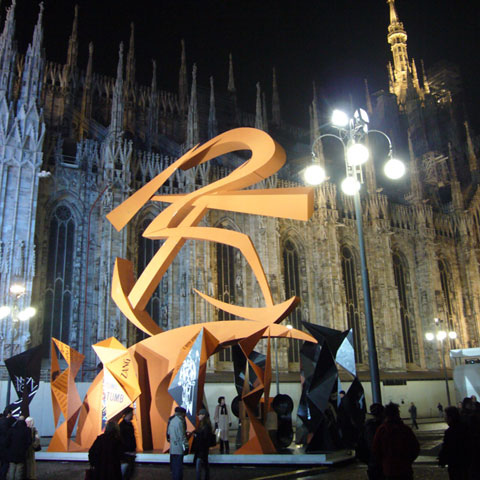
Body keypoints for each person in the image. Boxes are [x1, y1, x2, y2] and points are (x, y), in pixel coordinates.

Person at [372, 402, 420, 480]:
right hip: (405, 468)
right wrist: (408, 461)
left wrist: (384, 462)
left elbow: (375, 449)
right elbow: (415, 448)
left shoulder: (382, 430)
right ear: (397, 414)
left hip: (389, 469)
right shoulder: (405, 429)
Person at [438, 406, 471, 480]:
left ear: (450, 417)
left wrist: (442, 460)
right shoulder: (465, 427)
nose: (445, 418)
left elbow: (447, 448)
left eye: (445, 416)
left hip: (455, 463)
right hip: (466, 461)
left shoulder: (450, 432)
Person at [363, 403, 385, 480]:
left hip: (373, 463)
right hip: (385, 463)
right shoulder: (385, 427)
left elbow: (362, 446)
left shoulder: (367, 427)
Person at [6, 415, 31, 480]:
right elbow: (28, 442)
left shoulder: (12, 430)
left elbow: (7, 441)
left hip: (12, 452)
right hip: (21, 453)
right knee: (19, 470)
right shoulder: (26, 430)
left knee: (12, 468)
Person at [167, 406, 188, 480]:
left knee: (174, 467)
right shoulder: (180, 422)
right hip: (179, 448)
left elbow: (168, 433)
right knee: (179, 467)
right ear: (182, 414)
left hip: (172, 447)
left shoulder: (171, 420)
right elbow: (182, 436)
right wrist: (186, 447)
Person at [192, 409, 212, 480]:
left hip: (201, 449)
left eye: (199, 415)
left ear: (203, 415)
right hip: (203, 449)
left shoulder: (205, 426)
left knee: (199, 466)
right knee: (205, 464)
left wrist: (196, 435)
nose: (198, 416)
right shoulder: (205, 425)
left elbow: (204, 437)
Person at [119, 407, 136, 480]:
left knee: (129, 473)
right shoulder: (122, 425)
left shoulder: (129, 425)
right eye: (132, 413)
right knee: (127, 474)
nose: (133, 415)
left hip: (130, 452)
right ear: (127, 414)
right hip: (126, 453)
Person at [0, 408, 15, 480]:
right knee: (5, 463)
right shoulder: (9, 422)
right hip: (6, 446)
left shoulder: (1, 421)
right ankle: (2, 477)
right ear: (9, 414)